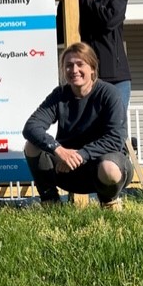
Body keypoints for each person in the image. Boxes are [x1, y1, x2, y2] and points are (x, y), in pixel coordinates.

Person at [22, 42, 133, 210]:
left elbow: (116, 138)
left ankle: (109, 202)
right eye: (68, 66)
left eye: (80, 64)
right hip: (66, 169)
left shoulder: (109, 93)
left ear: (92, 68)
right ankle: (50, 202)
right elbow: (31, 127)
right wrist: (59, 150)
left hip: (102, 166)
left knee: (109, 168)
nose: (74, 70)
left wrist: (81, 155)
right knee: (32, 145)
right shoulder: (59, 95)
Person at [77, 0, 132, 112]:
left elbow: (108, 21)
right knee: (88, 130)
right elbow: (59, 33)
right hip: (85, 78)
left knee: (115, 127)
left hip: (116, 79)